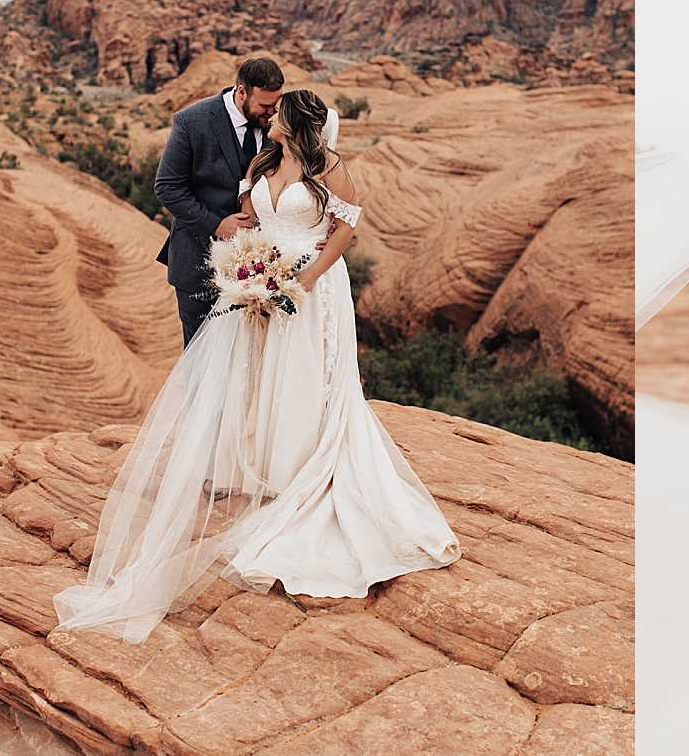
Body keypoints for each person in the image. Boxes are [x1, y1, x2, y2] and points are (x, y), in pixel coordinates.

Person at [55, 88, 460, 643]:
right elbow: (249, 214)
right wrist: (245, 264)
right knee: (262, 370)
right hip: (265, 278)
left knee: (306, 374)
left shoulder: (329, 167)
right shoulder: (263, 161)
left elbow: (345, 228)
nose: (267, 120)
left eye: (275, 115)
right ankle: (262, 460)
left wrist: (308, 276)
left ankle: (303, 468)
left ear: (292, 121)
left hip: (312, 286)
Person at [154, 56, 283, 345]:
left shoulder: (278, 125)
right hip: (197, 262)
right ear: (241, 92)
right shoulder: (191, 121)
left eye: (276, 105)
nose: (271, 112)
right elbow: (167, 187)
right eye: (264, 106)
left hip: (261, 272)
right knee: (202, 363)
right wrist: (217, 225)